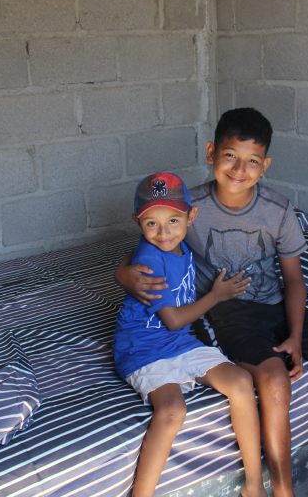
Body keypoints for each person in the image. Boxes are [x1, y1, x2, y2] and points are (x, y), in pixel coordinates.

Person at [115, 109, 308, 497]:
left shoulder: (277, 209)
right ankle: (281, 491)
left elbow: (294, 280)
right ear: (211, 153)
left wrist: (295, 336)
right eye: (230, 156)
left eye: (252, 160)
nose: (239, 169)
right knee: (274, 378)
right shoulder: (189, 207)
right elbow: (149, 245)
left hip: (276, 305)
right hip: (228, 312)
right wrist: (122, 274)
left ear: (265, 165)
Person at [113, 172, 267, 497]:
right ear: (138, 222)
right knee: (172, 411)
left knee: (241, 382)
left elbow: (135, 255)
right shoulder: (150, 258)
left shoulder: (178, 246)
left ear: (190, 216)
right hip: (143, 348)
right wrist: (216, 296)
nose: (164, 232)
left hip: (181, 342)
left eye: (172, 220)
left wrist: (121, 268)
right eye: (151, 223)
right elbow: (172, 320)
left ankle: (254, 485)